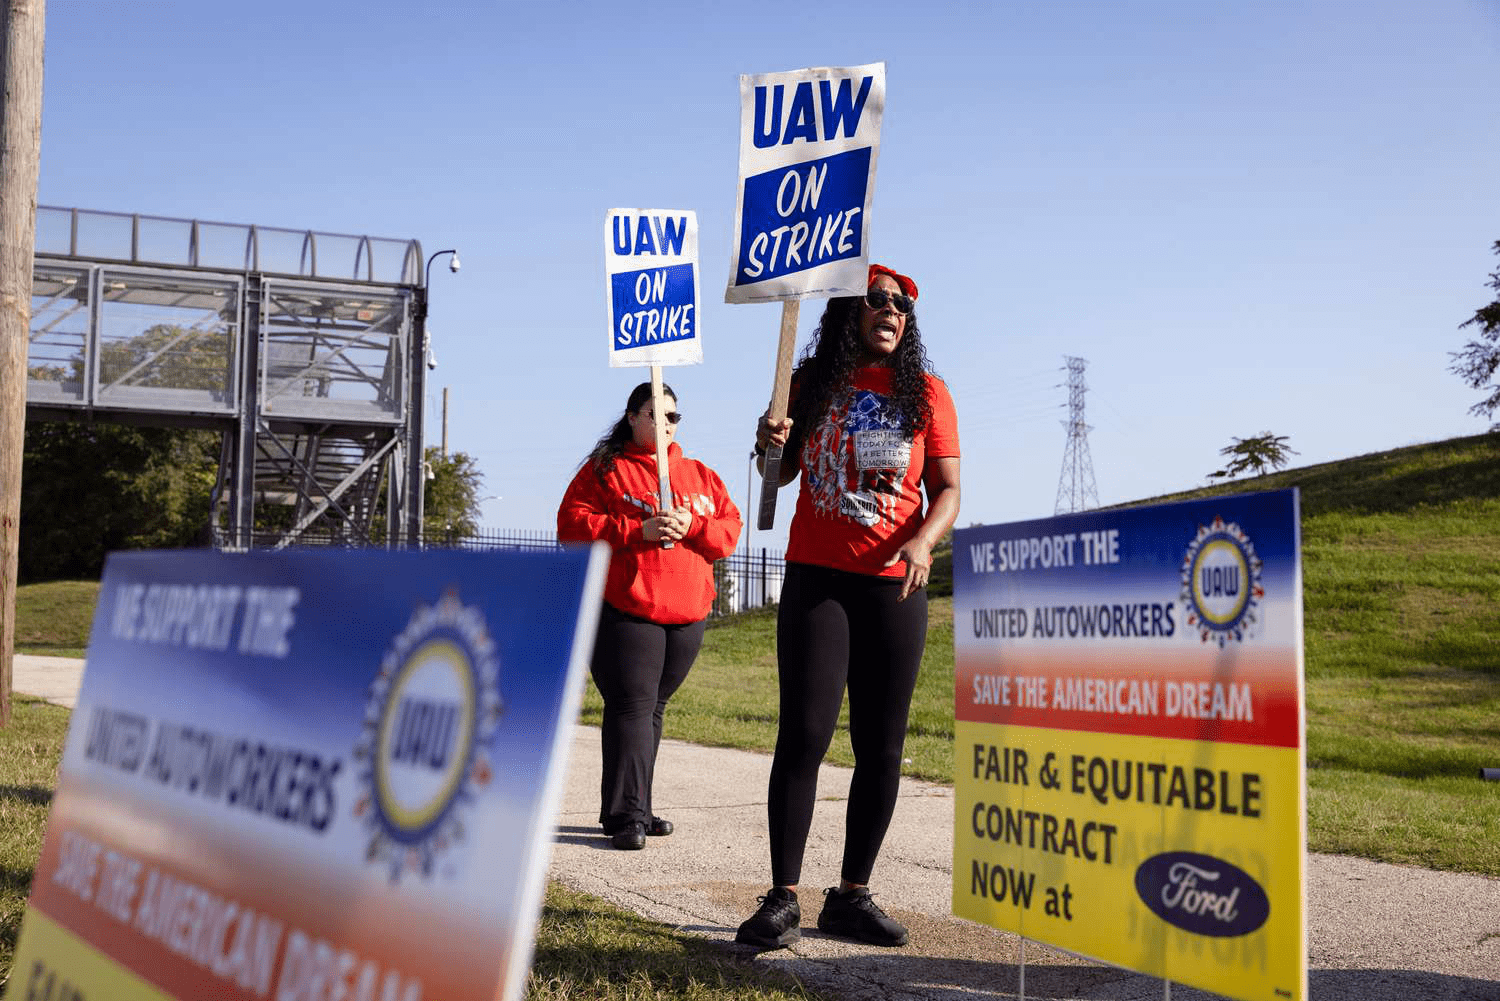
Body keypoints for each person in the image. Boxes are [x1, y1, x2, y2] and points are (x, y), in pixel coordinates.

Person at [734, 264, 960, 949]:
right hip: (818, 580)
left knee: (882, 746)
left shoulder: (928, 393)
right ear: (848, 311)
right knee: (804, 734)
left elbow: (948, 488)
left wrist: (924, 541)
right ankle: (782, 896)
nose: (891, 310)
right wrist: (769, 442)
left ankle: (852, 895)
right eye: (877, 299)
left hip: (894, 584)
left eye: (902, 305)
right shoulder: (809, 384)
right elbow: (780, 473)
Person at [558, 381, 742, 850]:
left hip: (687, 613)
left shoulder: (700, 474)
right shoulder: (607, 471)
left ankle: (638, 803)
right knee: (633, 708)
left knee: (652, 710)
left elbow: (727, 531)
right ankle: (625, 816)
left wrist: (693, 524)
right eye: (656, 413)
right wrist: (636, 529)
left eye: (674, 416)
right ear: (633, 417)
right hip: (627, 608)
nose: (666, 423)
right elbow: (571, 526)